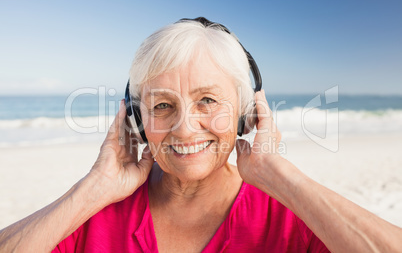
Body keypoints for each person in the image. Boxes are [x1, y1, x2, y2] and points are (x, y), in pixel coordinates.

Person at [0, 17, 401, 253]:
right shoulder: (93, 213)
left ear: (246, 113)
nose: (185, 127)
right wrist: (92, 190)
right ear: (138, 120)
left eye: (207, 100)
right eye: (162, 105)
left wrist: (278, 174)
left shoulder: (291, 214)